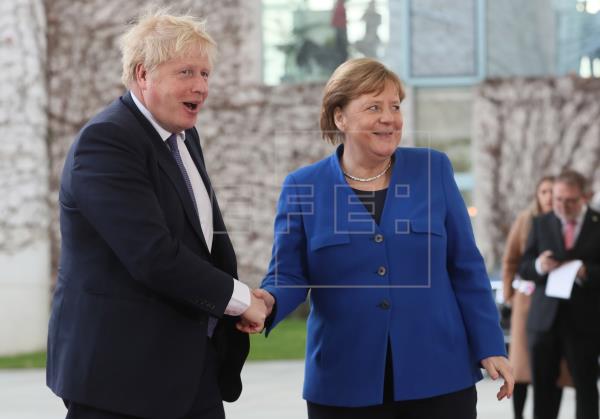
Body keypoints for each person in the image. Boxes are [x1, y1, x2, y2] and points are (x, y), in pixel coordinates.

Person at [240, 58, 513, 419]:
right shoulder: (303, 186)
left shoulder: (434, 169)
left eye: (395, 106)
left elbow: (466, 268)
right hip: (342, 382)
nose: (390, 118)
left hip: (439, 376)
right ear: (340, 117)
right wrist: (269, 301)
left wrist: (491, 345)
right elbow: (289, 273)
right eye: (373, 107)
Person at [46, 10, 267, 419]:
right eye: (186, 72)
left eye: (205, 74)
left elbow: (200, 240)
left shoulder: (183, 136)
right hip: (119, 380)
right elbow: (152, 255)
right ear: (143, 74)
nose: (201, 86)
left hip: (190, 370)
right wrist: (238, 300)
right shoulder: (107, 141)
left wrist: (233, 301)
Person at [519, 169, 600, 419]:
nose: (562, 206)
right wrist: (539, 266)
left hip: (584, 321)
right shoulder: (541, 222)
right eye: (558, 200)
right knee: (543, 391)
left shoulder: (597, 222)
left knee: (586, 388)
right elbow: (524, 266)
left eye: (570, 201)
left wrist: (587, 272)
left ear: (585, 197)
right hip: (545, 321)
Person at [502, 175, 573, 419]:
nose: (549, 197)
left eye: (553, 192)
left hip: (555, 305)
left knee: (555, 372)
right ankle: (518, 414)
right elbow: (511, 260)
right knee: (521, 369)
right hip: (526, 305)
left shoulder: (565, 223)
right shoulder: (526, 220)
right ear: (537, 195)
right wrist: (510, 295)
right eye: (544, 191)